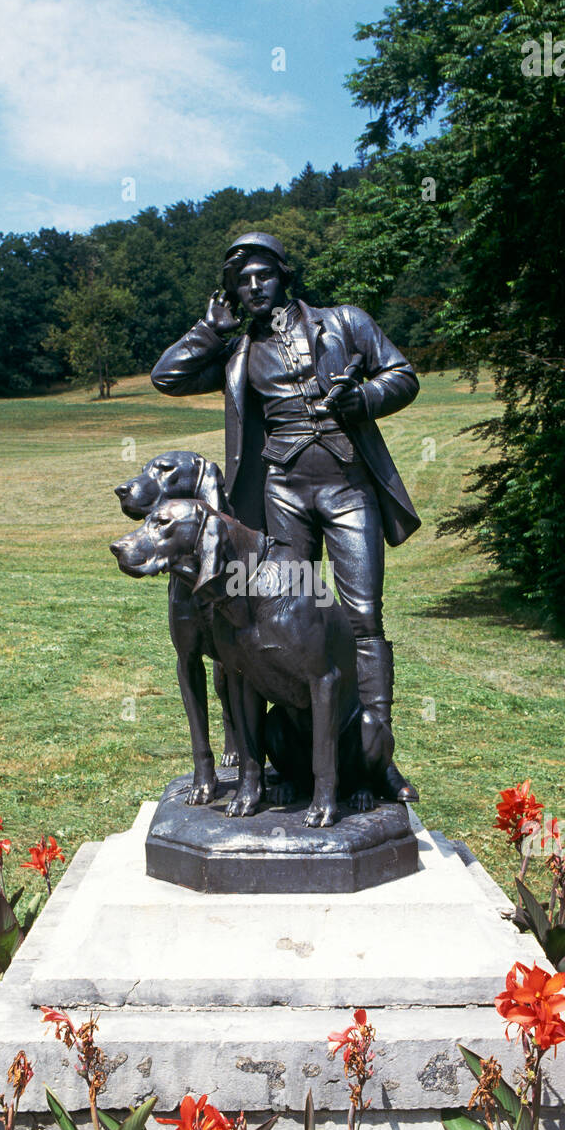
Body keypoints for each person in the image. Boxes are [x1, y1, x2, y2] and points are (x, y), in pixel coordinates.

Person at [151, 231, 421, 802]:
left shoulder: (344, 321)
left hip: (347, 486)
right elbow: (166, 376)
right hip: (281, 492)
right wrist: (211, 331)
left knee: (363, 616)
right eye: (241, 282)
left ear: (285, 275)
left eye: (263, 276)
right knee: (283, 617)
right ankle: (295, 749)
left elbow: (402, 375)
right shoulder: (237, 349)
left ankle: (377, 756)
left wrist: (362, 400)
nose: (253, 288)